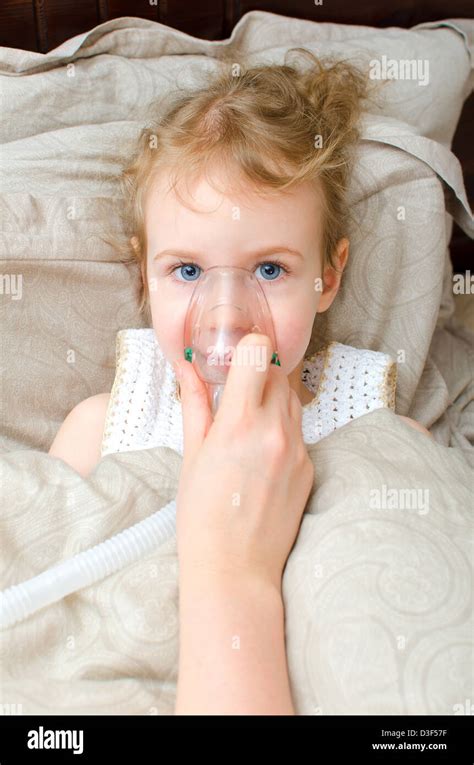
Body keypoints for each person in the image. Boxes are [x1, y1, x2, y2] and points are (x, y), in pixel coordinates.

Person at [47, 49, 433, 713]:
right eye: (188, 272)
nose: (225, 317)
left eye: (271, 270)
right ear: (145, 277)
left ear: (328, 277)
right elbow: (50, 600)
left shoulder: (376, 426)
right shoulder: (101, 426)